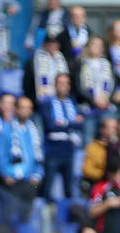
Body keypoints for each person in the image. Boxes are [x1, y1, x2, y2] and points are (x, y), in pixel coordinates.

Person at [40, 72, 82, 201]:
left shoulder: (73, 103)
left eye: (66, 83)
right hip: (53, 150)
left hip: (68, 150)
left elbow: (80, 124)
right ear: (55, 85)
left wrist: (64, 123)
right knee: (47, 187)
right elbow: (51, 125)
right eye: (60, 83)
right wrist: (71, 122)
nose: (63, 86)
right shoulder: (47, 103)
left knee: (69, 188)